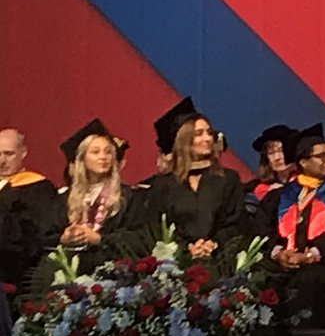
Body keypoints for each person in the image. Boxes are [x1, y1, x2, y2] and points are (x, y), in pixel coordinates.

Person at [257, 124, 325, 328]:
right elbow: (261, 229)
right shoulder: (279, 196)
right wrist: (279, 252)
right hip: (283, 263)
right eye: (322, 156)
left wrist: (311, 254)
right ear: (304, 162)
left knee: (310, 281)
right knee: (262, 278)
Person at [145, 99, 245, 257]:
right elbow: (155, 228)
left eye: (209, 133)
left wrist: (214, 244)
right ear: (183, 140)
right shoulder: (164, 184)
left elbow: (236, 223)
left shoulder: (227, 179)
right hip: (176, 263)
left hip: (220, 259)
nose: (207, 139)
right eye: (198, 134)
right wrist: (186, 248)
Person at [52, 123, 145, 271]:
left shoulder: (128, 197)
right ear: (82, 159)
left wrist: (98, 239)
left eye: (108, 152)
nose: (103, 157)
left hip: (112, 273)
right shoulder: (64, 198)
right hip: (70, 273)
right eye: (95, 152)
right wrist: (64, 238)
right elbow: (46, 236)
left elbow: (138, 238)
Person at [0, 129, 59, 300]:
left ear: (23, 153)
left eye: (8, 154)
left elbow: (37, 235)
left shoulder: (38, 189)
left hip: (14, 274)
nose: (2, 161)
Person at [245, 124, 297, 207]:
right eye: (271, 153)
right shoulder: (256, 188)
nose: (277, 158)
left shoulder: (307, 183)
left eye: (281, 151)